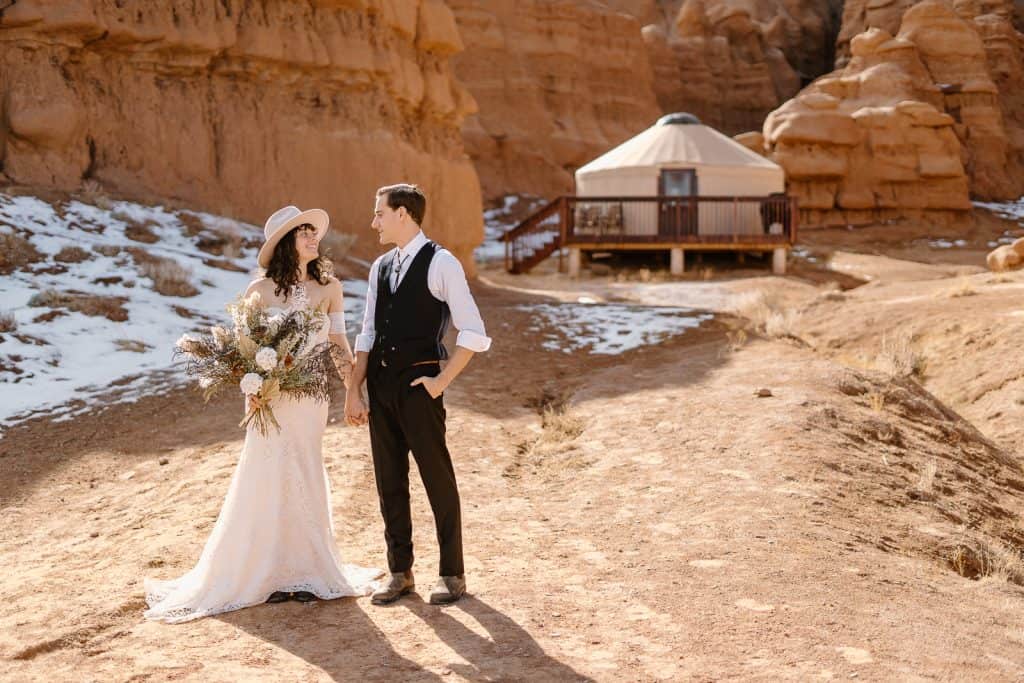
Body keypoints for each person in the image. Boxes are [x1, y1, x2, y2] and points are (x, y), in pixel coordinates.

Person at [144, 206, 380, 623]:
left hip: (310, 398)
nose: (313, 239)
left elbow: (338, 345)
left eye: (314, 233)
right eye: (304, 233)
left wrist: (353, 393)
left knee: (305, 472)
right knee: (267, 475)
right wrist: (252, 388)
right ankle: (266, 574)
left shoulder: (330, 289)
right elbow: (243, 353)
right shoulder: (259, 290)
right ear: (286, 243)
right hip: (269, 400)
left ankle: (307, 572)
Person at [346, 183, 491, 606]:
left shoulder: (441, 262)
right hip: (382, 389)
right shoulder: (379, 267)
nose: (374, 222)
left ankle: (452, 573)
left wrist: (440, 383)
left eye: (380, 214)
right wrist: (355, 390)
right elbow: (368, 332)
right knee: (389, 483)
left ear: (403, 214)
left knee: (436, 479)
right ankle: (399, 572)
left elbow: (474, 331)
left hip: (420, 388)